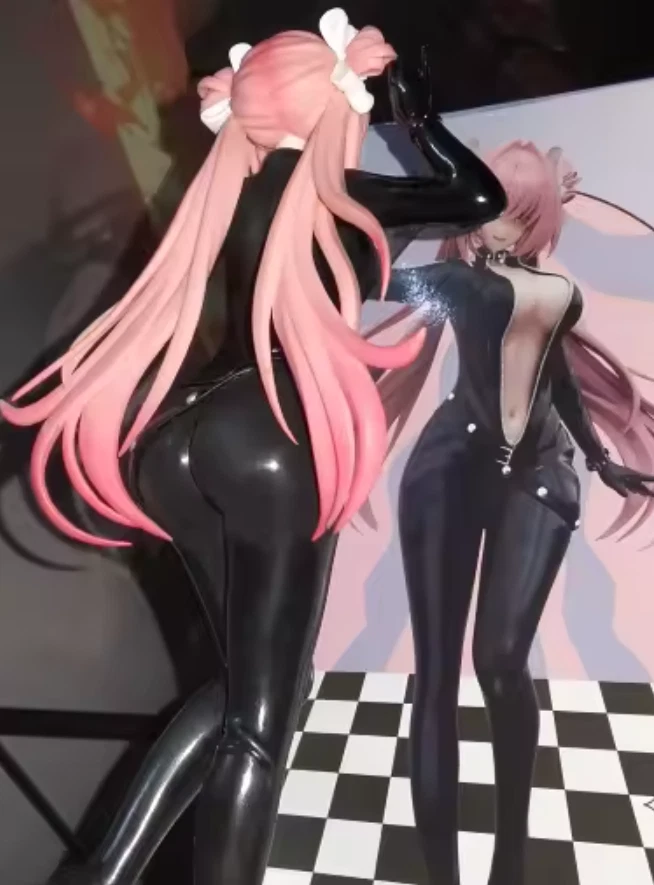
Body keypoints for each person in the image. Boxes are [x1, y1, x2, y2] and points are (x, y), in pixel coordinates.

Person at [0, 10, 505, 885]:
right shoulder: (343, 194)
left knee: (248, 689)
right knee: (263, 725)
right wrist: (421, 121)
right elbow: (479, 199)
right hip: (273, 437)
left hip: (182, 437)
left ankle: (106, 869)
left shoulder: (227, 196)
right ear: (329, 105)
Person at [365, 139, 654, 885]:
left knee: (498, 660)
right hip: (447, 471)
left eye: (519, 210)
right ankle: (444, 875)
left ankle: (510, 862)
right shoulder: (461, 283)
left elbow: (557, 378)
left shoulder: (555, 291)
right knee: (436, 674)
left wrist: (599, 459)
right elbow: (370, 277)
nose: (498, 223)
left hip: (540, 475)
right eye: (491, 206)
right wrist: (425, 203)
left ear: (540, 214)